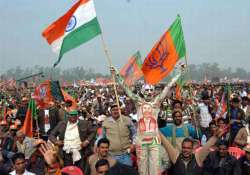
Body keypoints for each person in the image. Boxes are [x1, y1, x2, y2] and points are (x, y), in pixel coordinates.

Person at [111, 66, 181, 175]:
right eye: (147, 90)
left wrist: (179, 72)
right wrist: (117, 75)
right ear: (143, 92)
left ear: (154, 92)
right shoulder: (138, 102)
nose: (149, 92)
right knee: (142, 170)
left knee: (154, 169)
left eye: (151, 90)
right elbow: (126, 89)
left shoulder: (157, 102)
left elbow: (168, 86)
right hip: (141, 140)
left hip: (154, 140)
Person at [160, 126, 228, 175]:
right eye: (184, 148)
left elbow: (207, 146)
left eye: (188, 148)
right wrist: (153, 127)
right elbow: (165, 142)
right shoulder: (176, 157)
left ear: (192, 149)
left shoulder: (198, 158)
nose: (186, 150)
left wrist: (215, 137)